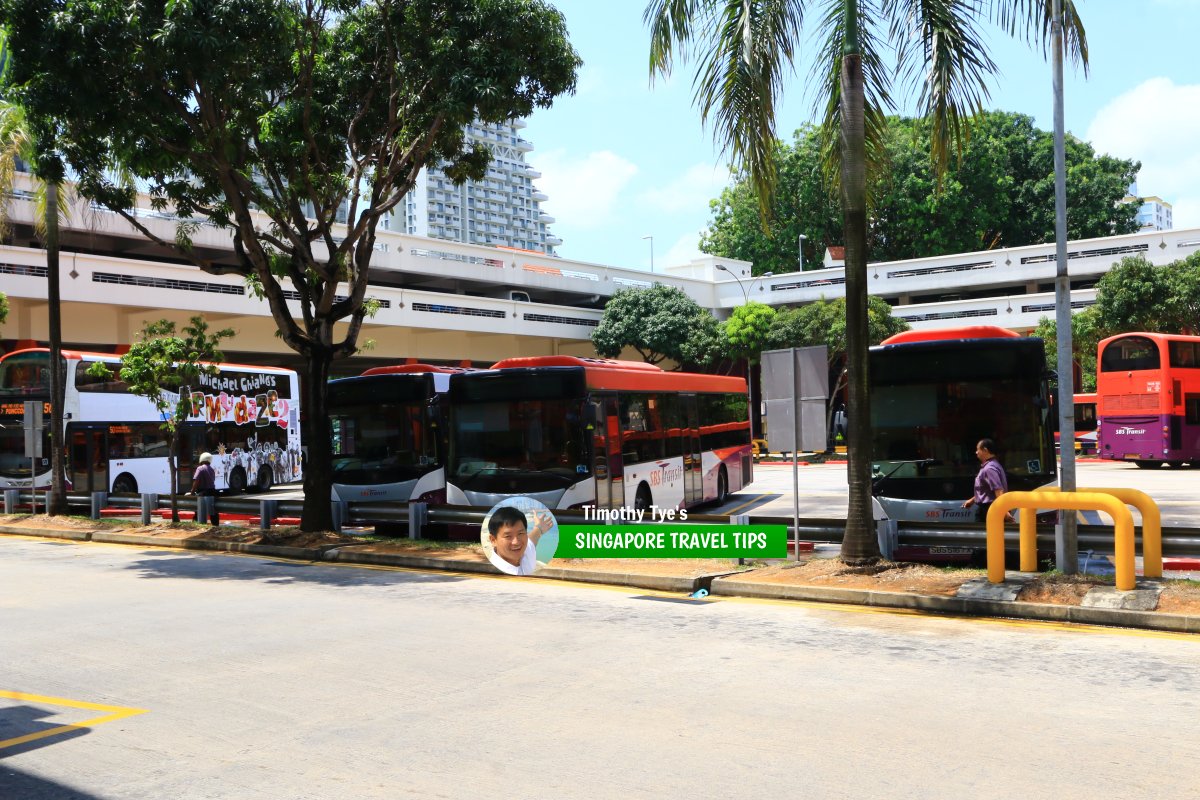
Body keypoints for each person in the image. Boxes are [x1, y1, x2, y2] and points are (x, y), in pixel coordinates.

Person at [484, 505, 555, 576]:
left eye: (520, 533)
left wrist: (539, 528)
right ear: (493, 540)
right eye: (508, 536)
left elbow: (532, 538)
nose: (516, 542)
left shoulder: (526, 551)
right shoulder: (494, 573)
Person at [962, 438, 1009, 524]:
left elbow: (998, 490)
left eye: (978, 450)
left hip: (988, 510)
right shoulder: (992, 465)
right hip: (987, 509)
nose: (976, 452)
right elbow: (986, 490)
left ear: (985, 450)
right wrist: (972, 500)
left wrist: (1004, 511)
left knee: (986, 536)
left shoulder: (989, 468)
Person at [190, 452, 219, 526]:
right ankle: (215, 526)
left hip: (203, 492)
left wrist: (192, 491)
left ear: (201, 459)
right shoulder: (212, 469)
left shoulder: (200, 468)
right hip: (212, 492)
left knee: (198, 510)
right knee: (213, 511)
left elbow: (196, 480)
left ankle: (196, 524)